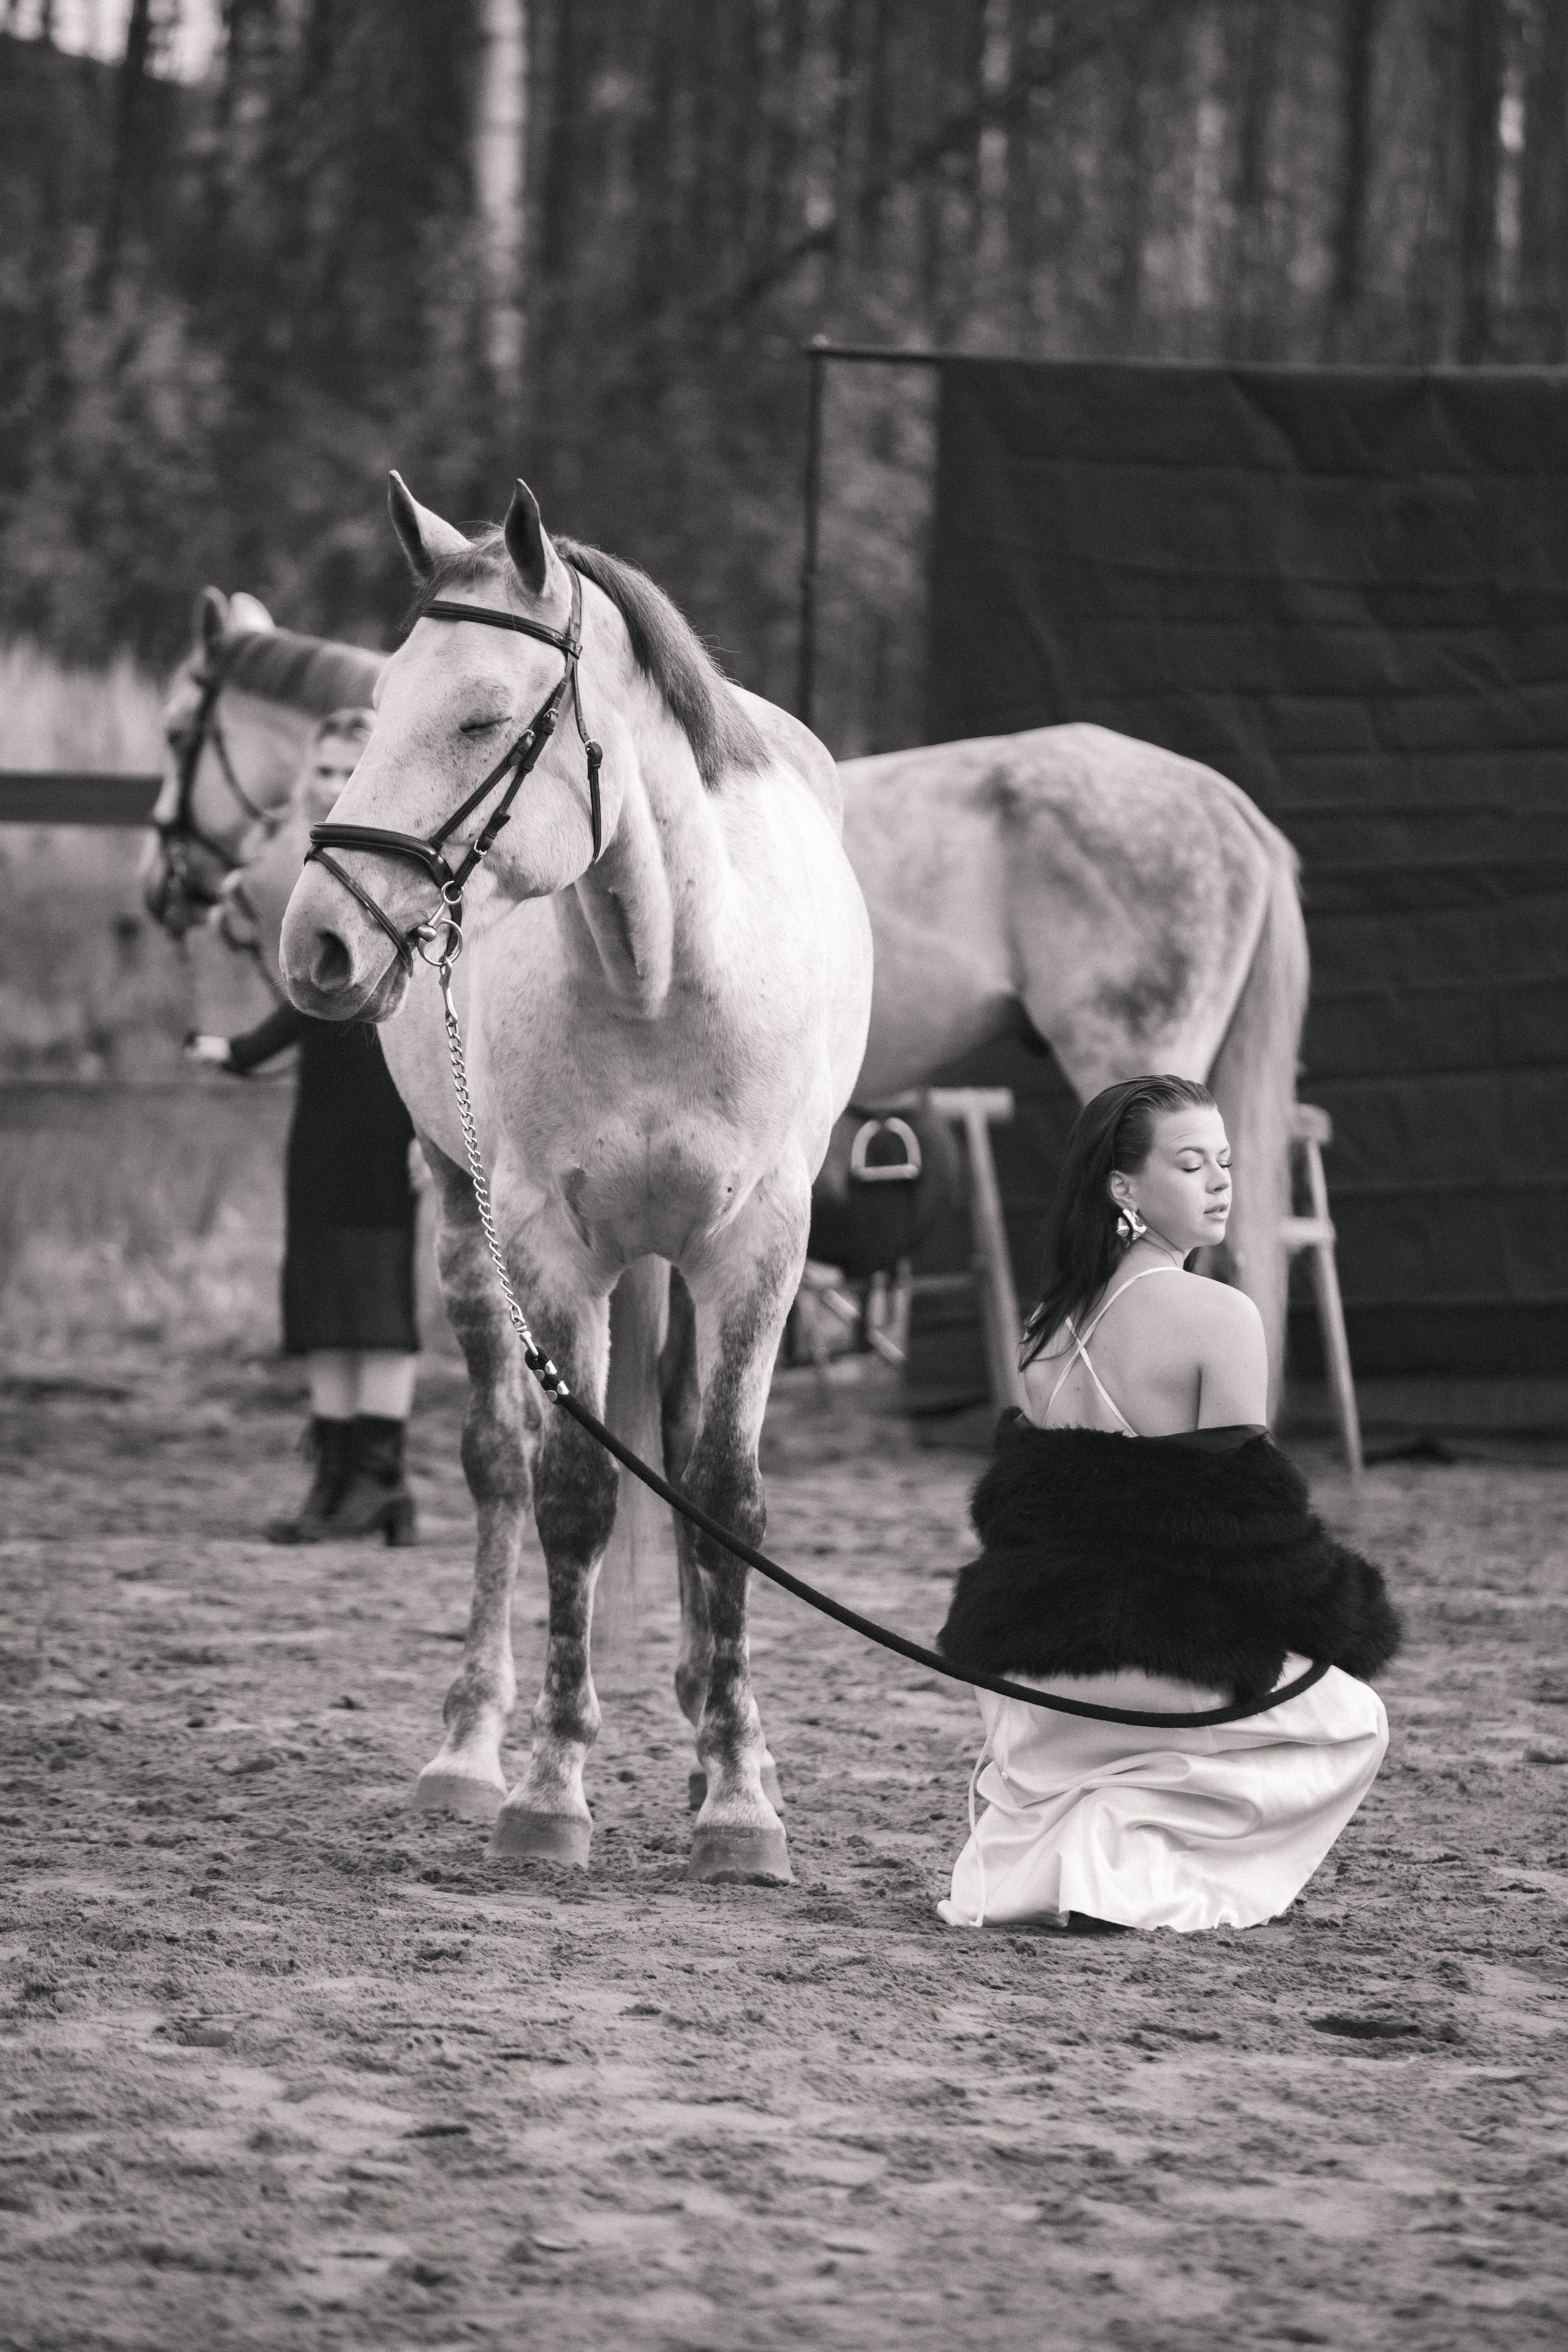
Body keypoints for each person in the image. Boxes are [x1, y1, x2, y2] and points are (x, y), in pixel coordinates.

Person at [935, 1074, 1399, 1934]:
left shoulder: (1044, 1324)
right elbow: (1249, 1534)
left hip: (1026, 1678)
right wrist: (1349, 1618)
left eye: (1225, 1161)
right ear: (1123, 1188)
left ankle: (1090, 1852)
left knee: (1143, 1752)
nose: (1221, 1181)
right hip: (1152, 1661)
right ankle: (1126, 1872)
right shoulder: (1221, 1316)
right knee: (1348, 1720)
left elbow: (1043, 1518)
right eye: (1191, 1164)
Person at [186, 710, 420, 1546]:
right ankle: (335, 1474)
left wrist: (436, 1138)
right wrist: (240, 1050)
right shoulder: (316, 877)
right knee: (324, 1291)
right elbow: (310, 1003)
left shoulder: (405, 881)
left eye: (345, 769)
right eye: (320, 771)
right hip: (320, 1119)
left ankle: (381, 1481)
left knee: (378, 1296)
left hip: (389, 1115)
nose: (330, 784)